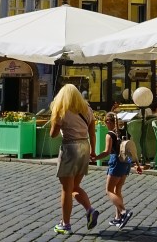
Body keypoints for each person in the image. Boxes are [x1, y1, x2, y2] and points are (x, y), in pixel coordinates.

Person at [49, 83, 100, 236]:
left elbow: (53, 134)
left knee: (66, 188)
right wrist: (93, 150)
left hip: (70, 148)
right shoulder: (87, 110)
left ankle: (65, 224)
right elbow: (92, 134)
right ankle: (90, 210)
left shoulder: (61, 111)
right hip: (84, 147)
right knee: (74, 187)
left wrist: (54, 120)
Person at [99, 112, 142, 229]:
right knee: (117, 189)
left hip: (116, 162)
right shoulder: (125, 132)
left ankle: (124, 211)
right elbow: (132, 150)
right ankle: (118, 218)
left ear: (109, 122)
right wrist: (137, 165)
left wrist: (94, 157)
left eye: (105, 122)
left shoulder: (110, 135)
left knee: (108, 190)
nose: (105, 124)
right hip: (126, 163)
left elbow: (107, 152)